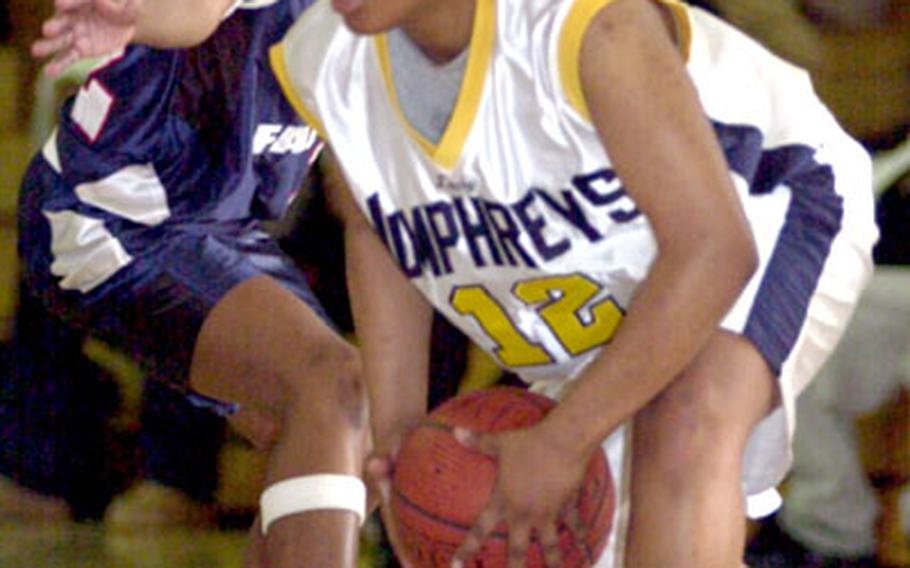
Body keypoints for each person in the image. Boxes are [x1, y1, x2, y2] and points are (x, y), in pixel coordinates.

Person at [270, 0, 879, 566]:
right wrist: (400, 428)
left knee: (688, 419)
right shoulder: (322, 56)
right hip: (596, 293)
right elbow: (377, 229)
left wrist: (564, 438)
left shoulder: (585, 24)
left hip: (761, 202)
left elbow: (714, 250)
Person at [21, 0, 367, 566]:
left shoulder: (399, 34)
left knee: (351, 439)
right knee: (330, 386)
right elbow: (198, 11)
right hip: (107, 214)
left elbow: (362, 211)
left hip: (216, 229)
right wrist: (134, 19)